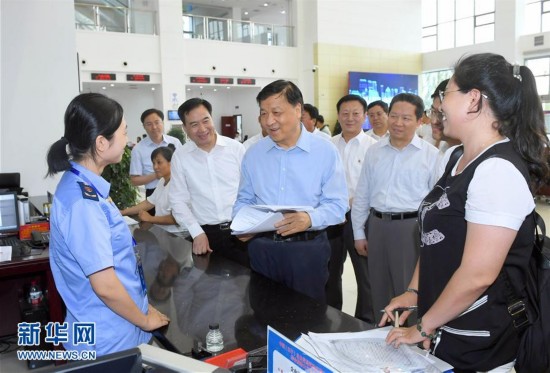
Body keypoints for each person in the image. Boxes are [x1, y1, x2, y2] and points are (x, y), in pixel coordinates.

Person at [382, 53, 549, 372]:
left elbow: (478, 275)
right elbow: (435, 236)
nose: (440, 104)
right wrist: (414, 292)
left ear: (473, 100)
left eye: (446, 94)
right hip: (445, 323)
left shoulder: (496, 170)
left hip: (478, 339)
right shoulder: (459, 157)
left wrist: (422, 327)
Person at [46, 93, 169, 356]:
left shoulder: (86, 187)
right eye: (124, 132)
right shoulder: (83, 202)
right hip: (107, 341)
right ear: (101, 143)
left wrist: (142, 308)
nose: (127, 139)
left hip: (120, 325)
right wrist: (144, 320)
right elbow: (105, 286)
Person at [233, 80, 348, 303]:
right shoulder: (253, 154)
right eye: (264, 113)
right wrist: (240, 224)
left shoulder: (324, 151)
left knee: (307, 317)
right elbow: (244, 199)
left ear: (298, 110)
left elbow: (338, 205)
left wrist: (309, 218)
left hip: (307, 251)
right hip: (262, 248)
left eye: (276, 112)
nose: (269, 121)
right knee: (263, 313)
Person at [352, 93, 439, 324]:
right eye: (394, 116)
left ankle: (413, 341)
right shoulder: (374, 152)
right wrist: (359, 232)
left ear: (420, 121)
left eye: (406, 118)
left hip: (411, 229)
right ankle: (382, 339)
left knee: (409, 288)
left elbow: (436, 203)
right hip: (377, 225)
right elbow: (363, 194)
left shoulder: (431, 155)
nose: (398, 123)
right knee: (378, 287)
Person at [169, 98, 248, 265]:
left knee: (248, 287)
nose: (202, 129)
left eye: (206, 121)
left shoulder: (236, 149)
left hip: (242, 232)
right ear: (185, 128)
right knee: (207, 289)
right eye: (194, 124)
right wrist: (196, 232)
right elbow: (178, 200)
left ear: (212, 119)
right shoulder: (180, 157)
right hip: (205, 237)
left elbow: (252, 190)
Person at [327, 94, 377, 321]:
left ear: (364, 116)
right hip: (331, 219)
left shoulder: (374, 148)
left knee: (365, 276)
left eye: (356, 113)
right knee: (330, 272)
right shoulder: (327, 146)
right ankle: (330, 316)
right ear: (338, 115)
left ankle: (364, 321)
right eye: (345, 113)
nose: (350, 118)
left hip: (362, 219)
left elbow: (375, 185)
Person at [129, 108, 181, 199]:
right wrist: (157, 175)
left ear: (163, 123)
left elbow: (184, 166)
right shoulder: (138, 149)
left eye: (157, 122)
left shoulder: (175, 142)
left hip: (177, 189)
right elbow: (134, 180)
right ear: (144, 126)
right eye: (149, 124)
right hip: (153, 192)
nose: (154, 127)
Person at [120, 145, 177, 226]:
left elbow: (175, 218)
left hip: (177, 235)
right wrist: (123, 212)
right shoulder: (162, 181)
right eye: (153, 163)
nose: (155, 167)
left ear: (171, 163)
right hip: (163, 231)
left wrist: (150, 218)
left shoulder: (177, 184)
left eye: (159, 162)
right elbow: (148, 203)